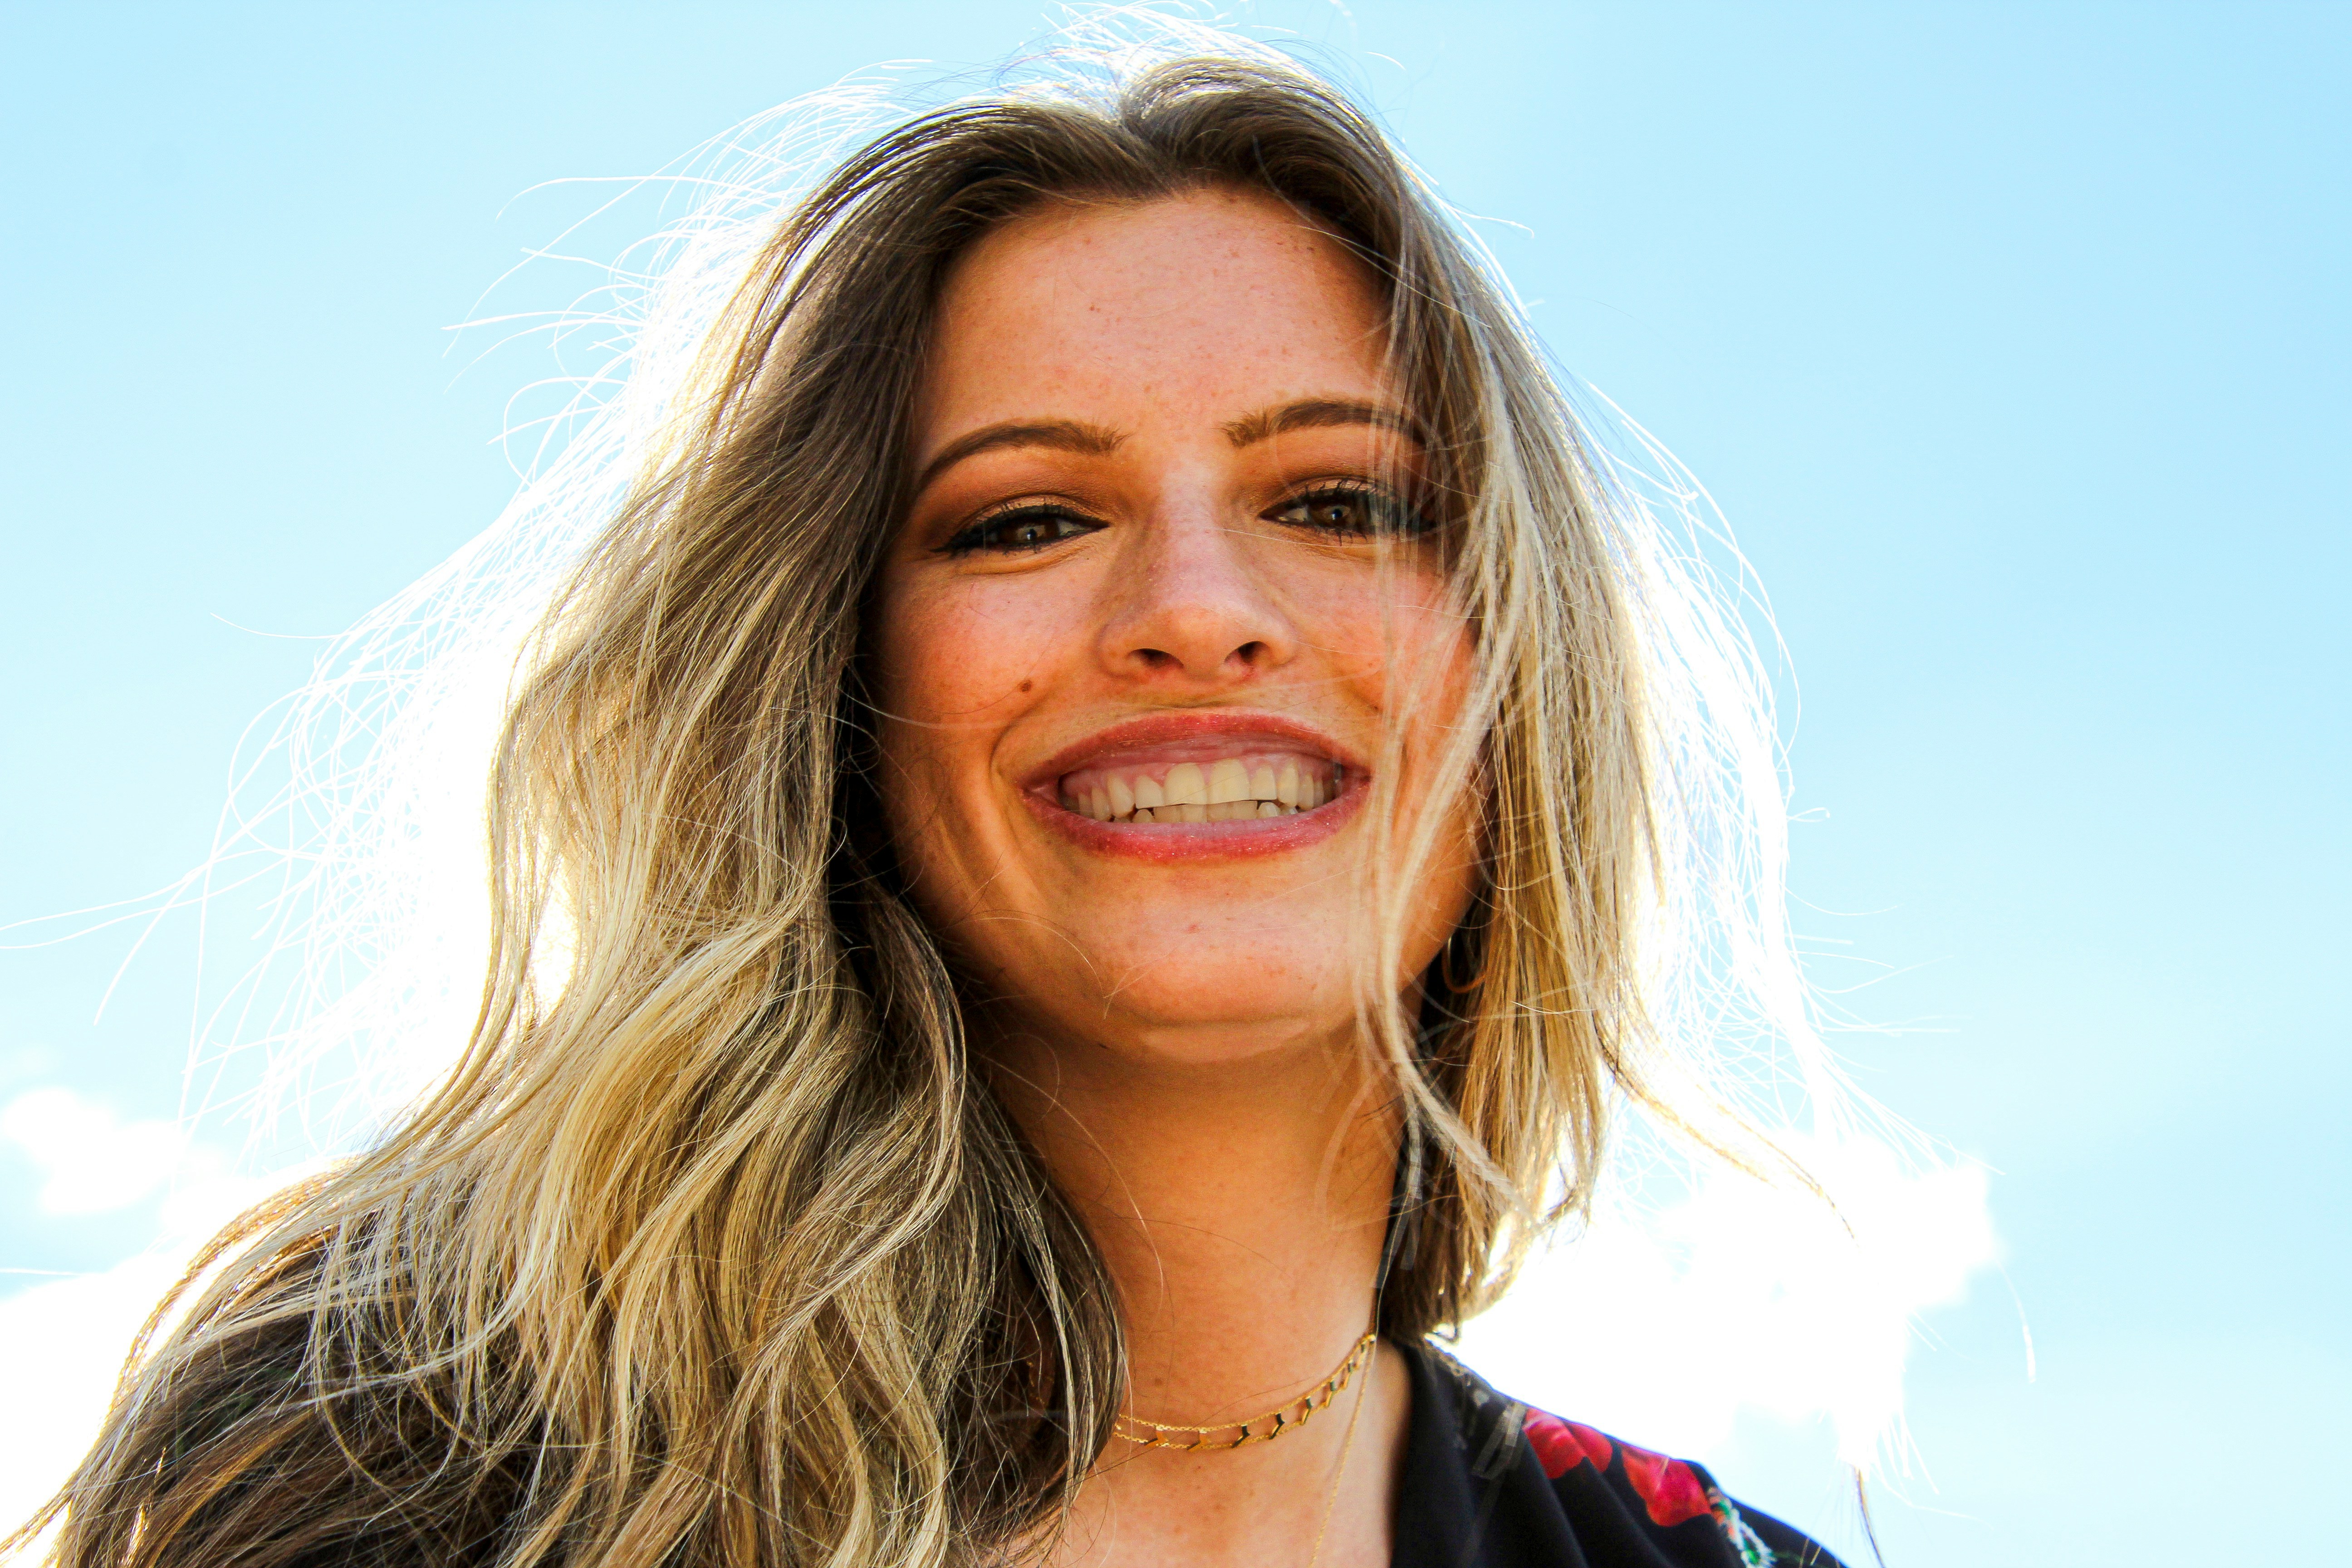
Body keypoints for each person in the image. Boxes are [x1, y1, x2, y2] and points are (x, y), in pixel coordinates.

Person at [18, 31, 1848, 1568]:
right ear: (830, 689)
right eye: (1026, 520)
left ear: (1519, 670)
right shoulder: (390, 1476)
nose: (1199, 609)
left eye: (1340, 503)